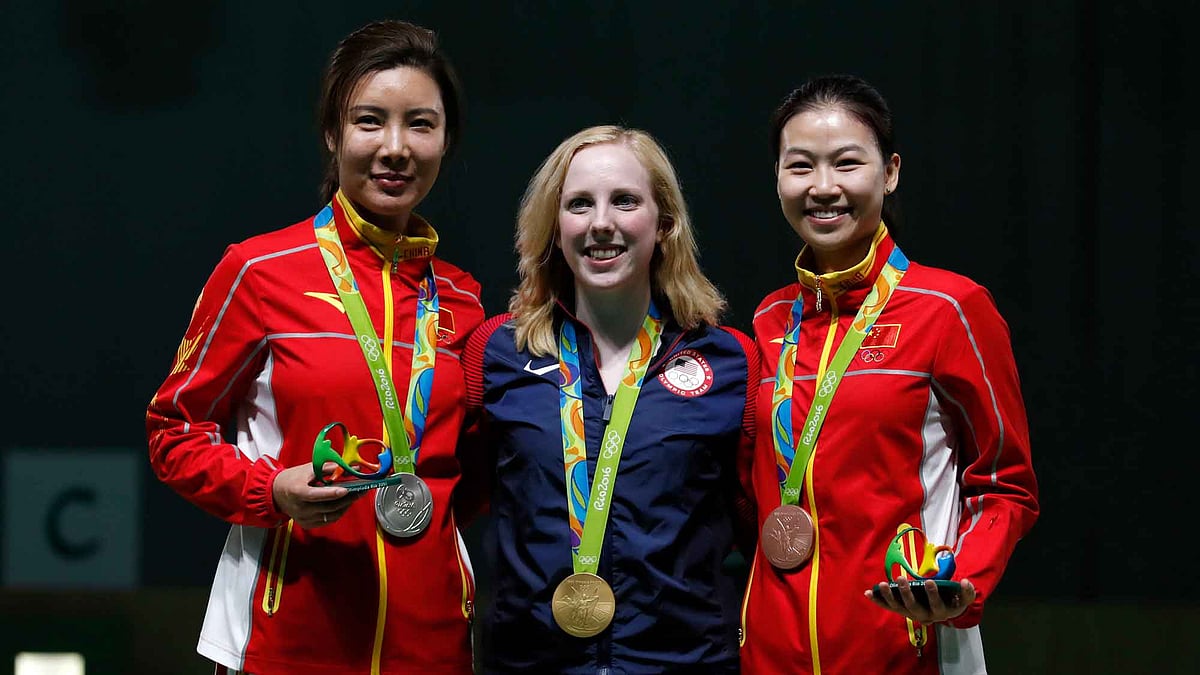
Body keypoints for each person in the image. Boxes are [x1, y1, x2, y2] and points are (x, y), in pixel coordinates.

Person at [145, 19, 483, 675]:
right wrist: (270, 489)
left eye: (420, 123)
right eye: (368, 121)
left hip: (433, 646)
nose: (396, 147)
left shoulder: (465, 300)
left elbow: (468, 474)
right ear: (332, 134)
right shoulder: (259, 270)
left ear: (446, 140)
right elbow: (172, 429)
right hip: (285, 642)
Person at [738, 74, 1039, 674]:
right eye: (800, 167)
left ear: (891, 171)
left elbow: (1006, 483)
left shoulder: (950, 308)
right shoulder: (769, 319)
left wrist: (957, 584)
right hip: (772, 652)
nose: (823, 188)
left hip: (908, 644)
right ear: (777, 177)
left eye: (847, 163)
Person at [460, 125, 758, 673]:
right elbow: (454, 504)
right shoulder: (496, 353)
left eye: (625, 200)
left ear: (664, 223)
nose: (601, 223)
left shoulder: (730, 362)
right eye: (578, 204)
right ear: (554, 226)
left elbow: (756, 526)